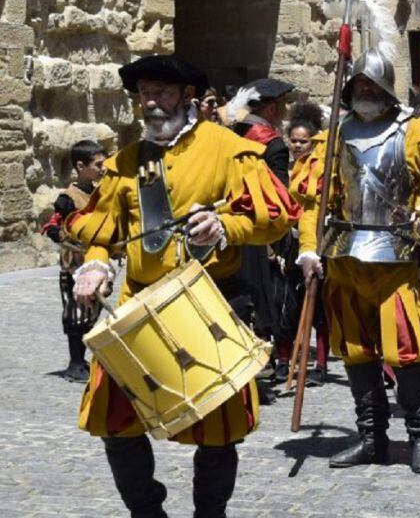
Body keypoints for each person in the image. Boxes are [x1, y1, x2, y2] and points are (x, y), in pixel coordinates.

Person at [67, 54, 298, 518]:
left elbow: (276, 217)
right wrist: (95, 266)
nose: (151, 102)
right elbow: (103, 232)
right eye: (144, 94)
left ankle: (209, 514)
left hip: (208, 303)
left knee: (219, 430)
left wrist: (225, 225)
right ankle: (146, 512)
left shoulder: (229, 149)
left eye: (163, 93)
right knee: (115, 420)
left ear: (188, 96)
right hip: (138, 304)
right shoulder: (126, 161)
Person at [295, 0, 420, 473]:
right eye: (359, 85)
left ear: (387, 90)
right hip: (345, 257)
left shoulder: (411, 133)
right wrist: (308, 248)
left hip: (395, 258)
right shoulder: (333, 138)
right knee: (357, 352)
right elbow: (313, 201)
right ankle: (371, 438)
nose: (365, 91)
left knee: (407, 349)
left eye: (373, 86)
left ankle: (419, 436)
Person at [226, 78, 297, 392]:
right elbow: (278, 194)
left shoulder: (231, 135)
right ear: (270, 109)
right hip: (257, 232)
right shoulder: (273, 144)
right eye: (282, 106)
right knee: (262, 296)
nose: (285, 111)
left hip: (226, 228)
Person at [40, 138, 107, 382]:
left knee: (92, 311)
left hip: (96, 263)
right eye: (97, 164)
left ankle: (81, 359)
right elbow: (53, 227)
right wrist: (69, 238)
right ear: (80, 166)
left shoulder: (100, 193)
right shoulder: (68, 198)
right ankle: (75, 363)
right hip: (74, 265)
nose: (102, 168)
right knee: (76, 313)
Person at [277, 101, 331, 386]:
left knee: (320, 308)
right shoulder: (288, 166)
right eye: (294, 141)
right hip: (291, 244)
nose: (298, 146)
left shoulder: (321, 166)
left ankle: (320, 365)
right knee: (289, 305)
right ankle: (283, 360)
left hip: (318, 242)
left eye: (303, 141)